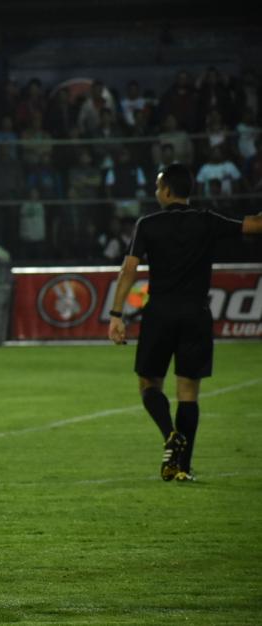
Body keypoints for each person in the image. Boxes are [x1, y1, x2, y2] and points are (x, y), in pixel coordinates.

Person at [107, 163, 262, 481]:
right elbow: (254, 226)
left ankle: (169, 435)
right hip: (196, 314)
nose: (155, 191)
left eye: (156, 186)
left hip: (159, 313)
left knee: (149, 384)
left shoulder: (147, 224)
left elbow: (129, 271)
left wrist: (116, 314)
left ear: (165, 190)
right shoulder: (207, 221)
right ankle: (181, 467)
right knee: (188, 392)